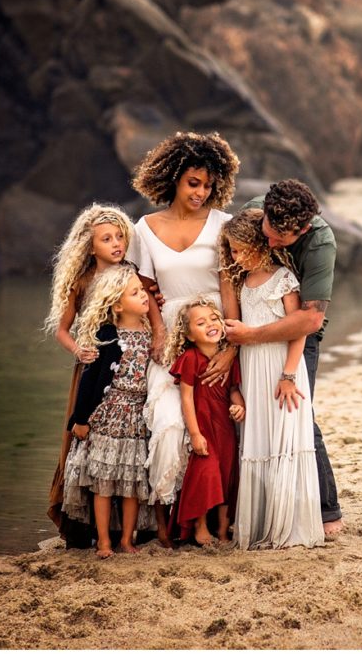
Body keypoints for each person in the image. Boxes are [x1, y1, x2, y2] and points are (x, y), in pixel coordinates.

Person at [126, 131, 241, 545]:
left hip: (214, 332)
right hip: (171, 339)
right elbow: (145, 286)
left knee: (220, 426)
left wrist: (231, 347)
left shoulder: (223, 225)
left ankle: (215, 521)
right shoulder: (144, 227)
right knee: (170, 424)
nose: (201, 192)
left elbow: (229, 287)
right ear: (174, 178)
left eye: (209, 185)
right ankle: (170, 521)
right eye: (194, 183)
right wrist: (158, 331)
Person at [224, 180, 344, 535]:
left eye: (282, 240)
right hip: (252, 332)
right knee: (253, 419)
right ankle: (257, 506)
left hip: (298, 334)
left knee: (298, 415)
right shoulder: (256, 210)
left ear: (303, 230)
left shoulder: (321, 243)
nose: (272, 242)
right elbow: (229, 260)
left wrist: (251, 337)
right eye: (269, 233)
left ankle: (326, 509)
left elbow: (309, 319)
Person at [44, 203, 134, 547]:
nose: (116, 244)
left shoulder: (132, 274)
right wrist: (78, 349)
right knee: (85, 437)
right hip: (91, 368)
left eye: (119, 237)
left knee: (124, 443)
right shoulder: (81, 282)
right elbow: (63, 330)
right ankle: (81, 524)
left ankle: (118, 527)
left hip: (126, 372)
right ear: (90, 246)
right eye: (107, 239)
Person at [61, 264, 152, 557]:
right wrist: (81, 419)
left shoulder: (152, 334)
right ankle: (103, 540)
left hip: (137, 417)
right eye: (136, 293)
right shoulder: (108, 335)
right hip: (109, 416)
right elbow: (89, 382)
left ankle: (127, 539)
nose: (144, 297)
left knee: (132, 483)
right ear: (117, 303)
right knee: (103, 483)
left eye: (143, 291)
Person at [164, 297, 246, 545]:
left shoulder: (227, 358)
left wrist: (239, 405)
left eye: (214, 318)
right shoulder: (190, 358)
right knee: (206, 473)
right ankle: (199, 526)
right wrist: (195, 434)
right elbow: (187, 398)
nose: (210, 324)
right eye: (201, 323)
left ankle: (222, 531)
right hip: (204, 426)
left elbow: (232, 388)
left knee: (226, 475)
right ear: (189, 335)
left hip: (224, 428)